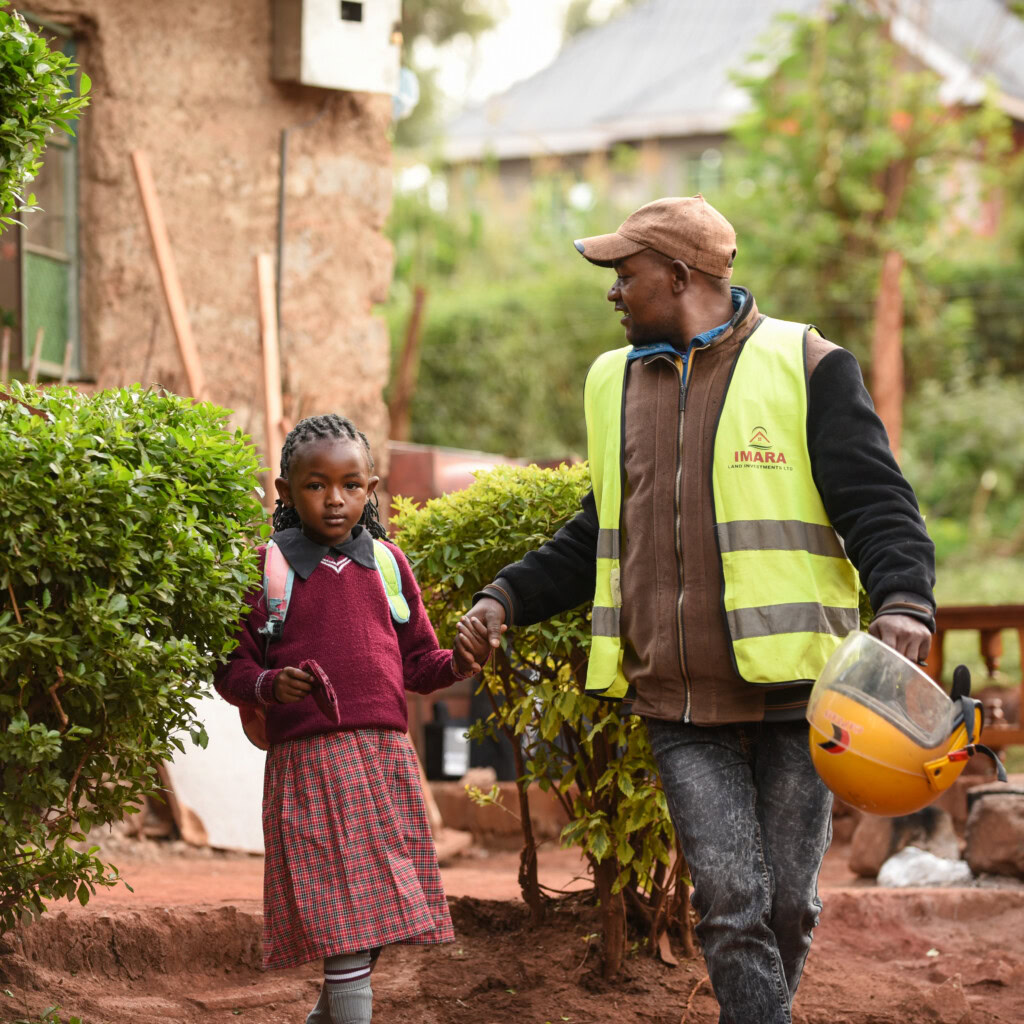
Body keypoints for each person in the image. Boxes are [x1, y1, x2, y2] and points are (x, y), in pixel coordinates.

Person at [463, 197, 935, 1024]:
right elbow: (598, 528)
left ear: (680, 276)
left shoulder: (809, 364)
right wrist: (507, 594)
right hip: (678, 701)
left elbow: (879, 505)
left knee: (788, 906)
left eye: (625, 274)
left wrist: (904, 600)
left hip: (801, 695)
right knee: (730, 900)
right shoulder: (613, 382)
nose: (613, 292)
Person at [214, 414, 491, 1024]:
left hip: (387, 760)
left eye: (351, 485)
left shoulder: (389, 563)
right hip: (311, 763)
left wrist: (461, 662)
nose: (334, 499)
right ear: (285, 492)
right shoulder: (268, 568)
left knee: (374, 914)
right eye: (315, 485)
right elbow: (230, 669)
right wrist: (267, 684)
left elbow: (418, 664)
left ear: (371, 489)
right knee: (342, 913)